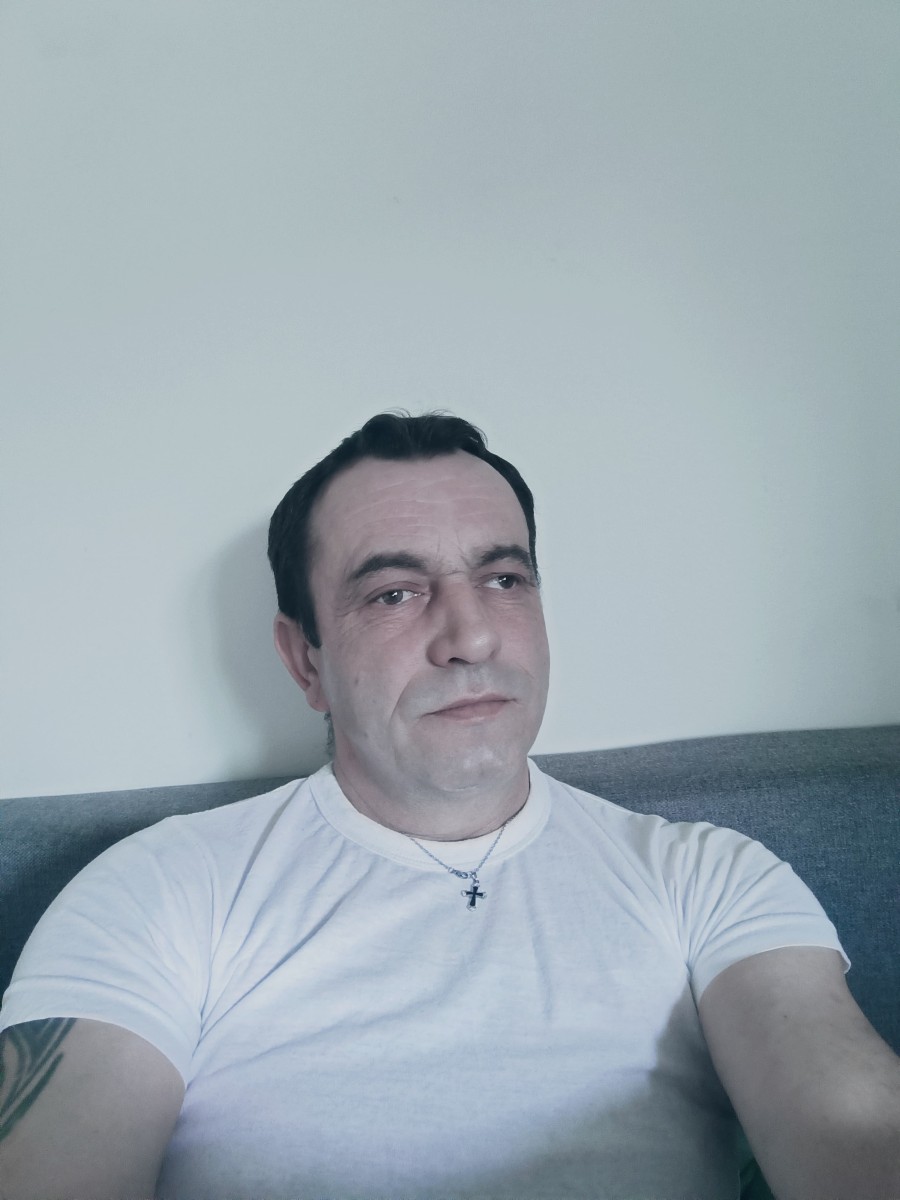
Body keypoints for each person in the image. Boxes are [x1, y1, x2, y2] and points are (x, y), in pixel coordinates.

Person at [1, 411, 898, 1200]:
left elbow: (854, 1127)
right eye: (395, 593)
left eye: (504, 580)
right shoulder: (157, 891)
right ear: (305, 659)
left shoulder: (708, 879)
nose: (471, 637)